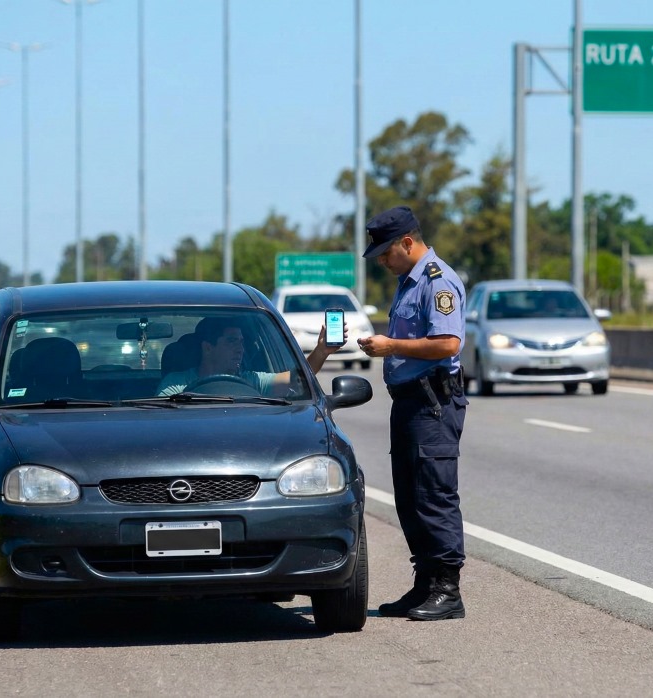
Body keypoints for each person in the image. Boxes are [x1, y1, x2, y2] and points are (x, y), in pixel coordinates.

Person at [356, 205, 468, 622]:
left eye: (387, 253)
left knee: (434, 494)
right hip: (409, 400)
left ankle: (447, 588)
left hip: (432, 401)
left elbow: (447, 344)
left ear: (408, 242)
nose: (383, 262)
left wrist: (391, 347)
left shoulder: (437, 281)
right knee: (410, 495)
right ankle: (424, 583)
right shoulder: (408, 282)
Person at [157, 316, 343, 396]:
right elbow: (163, 419)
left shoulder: (252, 380)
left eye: (241, 342)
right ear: (207, 348)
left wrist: (321, 352)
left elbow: (297, 380)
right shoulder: (177, 384)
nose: (240, 349)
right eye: (231, 341)